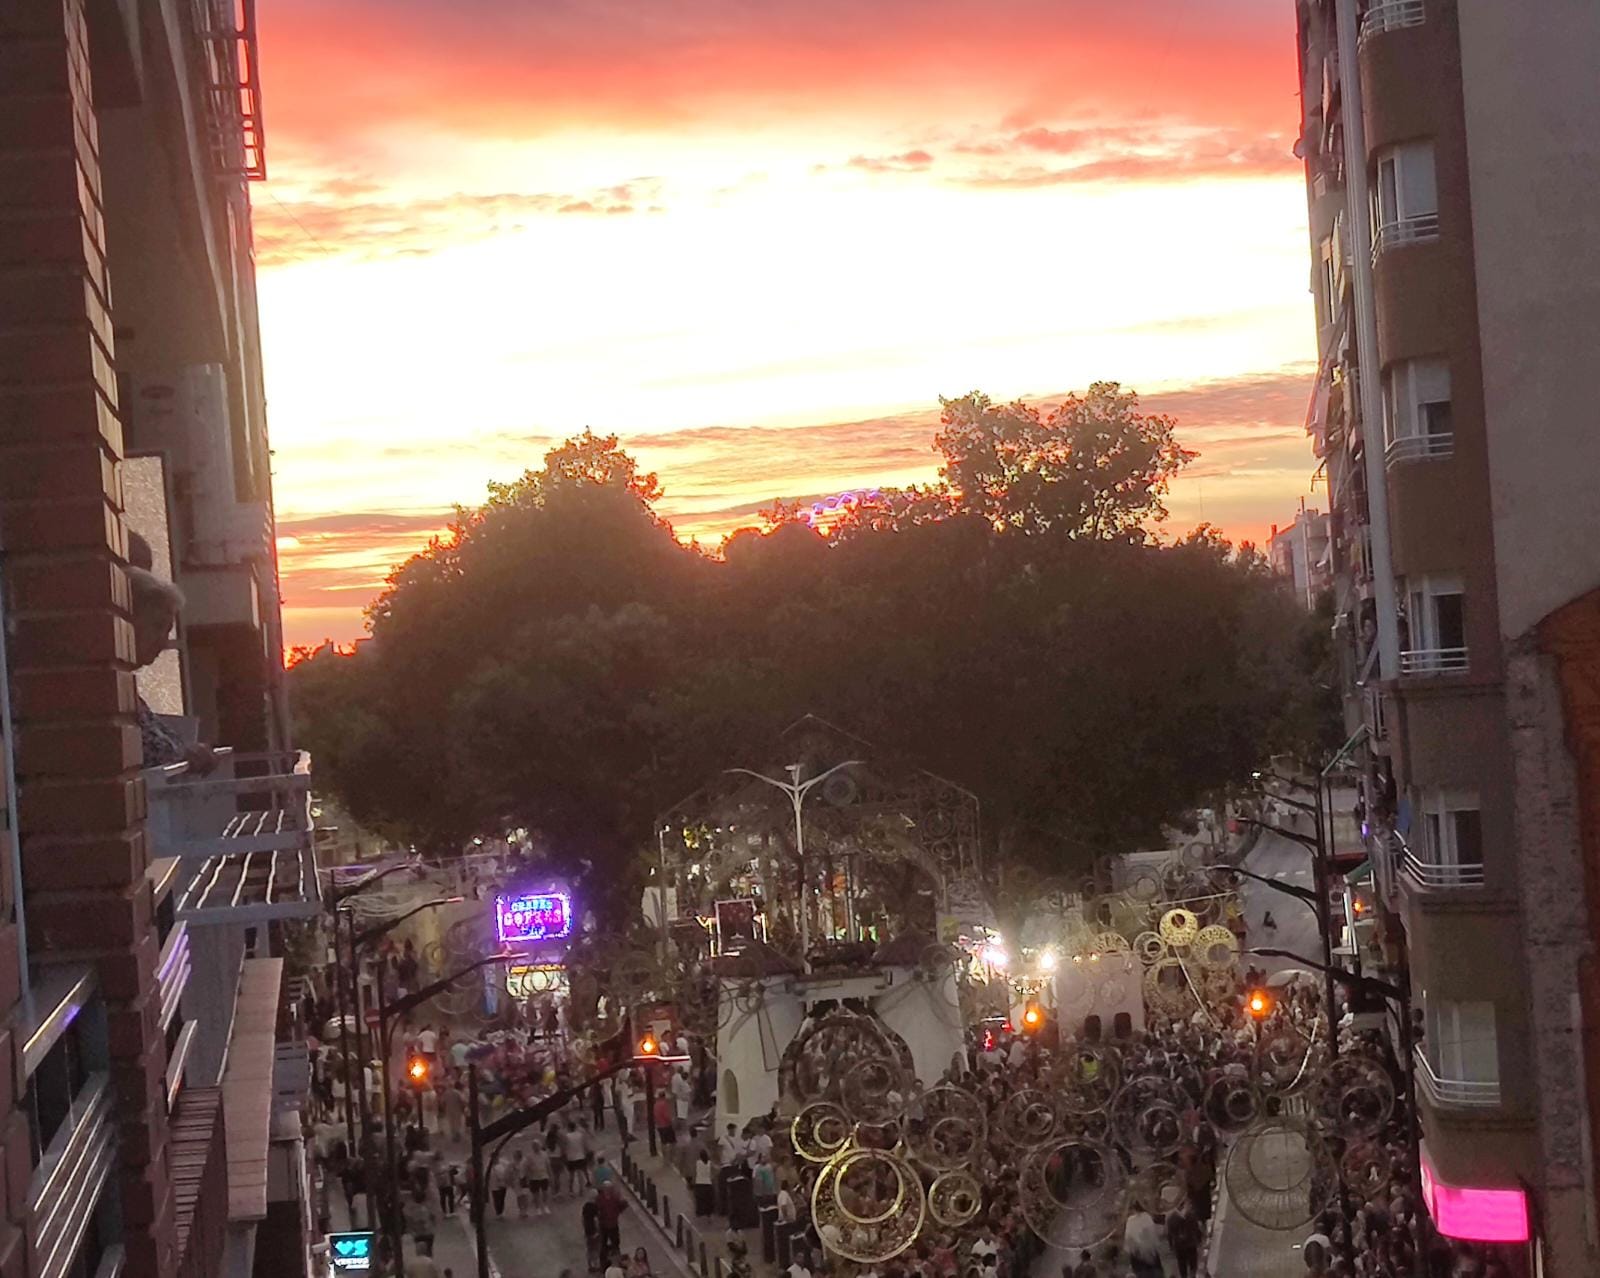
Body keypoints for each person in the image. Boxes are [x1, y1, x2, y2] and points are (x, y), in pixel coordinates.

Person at [1122, 1203, 1163, 1278]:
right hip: (1150, 1253)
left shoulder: (1130, 1221)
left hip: (1137, 1255)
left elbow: (1128, 1241)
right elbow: (1153, 1235)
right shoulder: (1147, 1217)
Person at [1166, 1199, 1201, 1278]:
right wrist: (1199, 1239)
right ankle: (1192, 1276)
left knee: (1182, 1265)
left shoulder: (1171, 1218)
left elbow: (1169, 1235)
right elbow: (1196, 1229)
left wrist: (1171, 1246)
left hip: (1179, 1246)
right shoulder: (1191, 1215)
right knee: (1192, 1264)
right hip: (1190, 1244)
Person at [597, 1182, 626, 1264]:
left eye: (610, 1188)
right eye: (606, 1188)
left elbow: (622, 1206)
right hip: (603, 1225)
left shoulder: (615, 1198)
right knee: (603, 1244)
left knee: (615, 1243)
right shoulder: (600, 1198)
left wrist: (617, 1212)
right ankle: (603, 1263)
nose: (608, 1190)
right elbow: (597, 1209)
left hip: (613, 1224)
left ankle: (617, 1261)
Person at [562, 1119, 591, 1193]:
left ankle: (571, 1188)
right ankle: (587, 1182)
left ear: (569, 1128)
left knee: (572, 1174)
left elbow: (565, 1147)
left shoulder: (567, 1136)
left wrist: (564, 1155)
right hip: (581, 1156)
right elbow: (584, 1145)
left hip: (571, 1158)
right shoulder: (580, 1135)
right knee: (584, 1171)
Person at [526, 1141, 552, 1214]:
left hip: (544, 1176)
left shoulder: (545, 1154)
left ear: (540, 1146)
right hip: (534, 1177)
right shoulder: (529, 1156)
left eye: (537, 1145)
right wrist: (528, 1179)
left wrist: (550, 1175)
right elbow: (527, 1168)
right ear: (532, 1147)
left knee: (545, 1192)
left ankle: (546, 1206)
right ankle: (538, 1209)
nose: (536, 1147)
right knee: (536, 1194)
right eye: (534, 1146)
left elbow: (548, 1166)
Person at [693, 1147, 716, 1216]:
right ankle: (708, 1213)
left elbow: (694, 1172)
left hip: (699, 1183)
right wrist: (712, 1176)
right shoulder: (710, 1163)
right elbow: (716, 1169)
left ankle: (700, 1213)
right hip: (708, 1184)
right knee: (708, 1200)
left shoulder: (697, 1162)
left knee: (700, 1200)